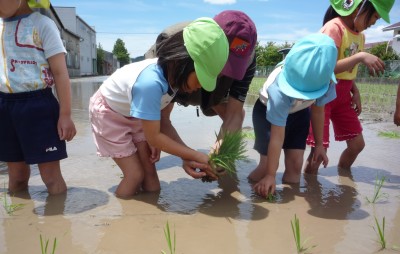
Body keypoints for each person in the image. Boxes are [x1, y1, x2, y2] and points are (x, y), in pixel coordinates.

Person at [89, 17, 229, 198]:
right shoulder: (150, 84)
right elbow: (154, 137)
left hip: (133, 114)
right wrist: (198, 156)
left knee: (152, 181)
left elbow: (163, 124)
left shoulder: (175, 78)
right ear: (181, 61)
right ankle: (121, 221)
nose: (201, 86)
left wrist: (188, 156)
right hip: (109, 114)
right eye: (201, 78)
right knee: (135, 175)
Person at [145, 10, 257, 177]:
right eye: (224, 64)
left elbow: (234, 115)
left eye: (232, 66)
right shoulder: (172, 41)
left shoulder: (247, 59)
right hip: (180, 72)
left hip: (214, 93)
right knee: (149, 141)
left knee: (236, 118)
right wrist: (184, 153)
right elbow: (160, 118)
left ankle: (223, 166)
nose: (221, 72)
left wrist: (217, 155)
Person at [304, 0, 395, 174]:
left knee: (357, 144)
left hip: (344, 97)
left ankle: (343, 177)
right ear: (359, 8)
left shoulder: (360, 36)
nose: (374, 22)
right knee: (318, 151)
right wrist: (360, 56)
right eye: (375, 16)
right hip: (323, 98)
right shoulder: (334, 28)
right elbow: (327, 68)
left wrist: (355, 91)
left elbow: (347, 71)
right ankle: (311, 191)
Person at [0, 0, 76, 195]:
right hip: (5, 106)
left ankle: (59, 222)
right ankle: (19, 224)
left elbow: (60, 73)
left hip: (38, 105)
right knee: (16, 176)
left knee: (50, 177)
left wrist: (65, 115)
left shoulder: (42, 24)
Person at [249, 33, 338, 197]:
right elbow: (277, 137)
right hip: (267, 112)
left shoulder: (327, 80)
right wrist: (270, 175)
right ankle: (252, 188)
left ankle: (289, 210)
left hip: (300, 113)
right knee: (266, 167)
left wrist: (319, 145)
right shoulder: (278, 90)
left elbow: (318, 111)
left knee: (295, 165)